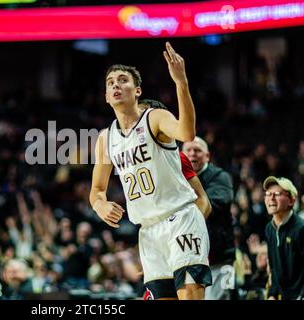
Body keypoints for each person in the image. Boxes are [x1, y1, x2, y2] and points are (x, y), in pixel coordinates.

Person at [90, 42, 212, 300]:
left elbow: (187, 133)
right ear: (105, 96)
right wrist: (100, 206)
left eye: (122, 80)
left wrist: (181, 83)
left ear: (137, 91)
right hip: (148, 231)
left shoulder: (154, 117)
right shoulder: (105, 138)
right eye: (110, 82)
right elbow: (97, 190)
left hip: (180, 218)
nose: (115, 85)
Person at [139, 99, 211, 218]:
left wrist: (193, 225)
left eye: (142, 115)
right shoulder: (131, 158)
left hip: (180, 226)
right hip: (151, 227)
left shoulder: (177, 157)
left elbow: (203, 200)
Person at [182, 136, 235, 300]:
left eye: (197, 150)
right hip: (190, 258)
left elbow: (214, 204)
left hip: (220, 259)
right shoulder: (176, 178)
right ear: (181, 156)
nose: (192, 154)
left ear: (207, 156)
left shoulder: (220, 177)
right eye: (188, 150)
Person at [263, 176, 303, 300]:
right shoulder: (269, 229)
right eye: (268, 194)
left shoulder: (301, 229)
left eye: (277, 194)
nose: (271, 198)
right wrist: (272, 295)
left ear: (291, 200)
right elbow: (274, 269)